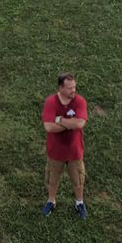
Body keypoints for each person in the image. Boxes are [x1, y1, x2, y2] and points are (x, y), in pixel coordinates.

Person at [40, 72, 88, 220]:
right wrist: (70, 123)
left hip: (75, 151)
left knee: (78, 180)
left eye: (74, 87)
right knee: (52, 179)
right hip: (56, 152)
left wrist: (59, 119)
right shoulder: (51, 102)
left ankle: (79, 202)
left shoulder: (79, 101)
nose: (73, 90)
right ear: (60, 88)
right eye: (69, 88)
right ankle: (51, 201)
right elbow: (48, 127)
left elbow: (80, 123)